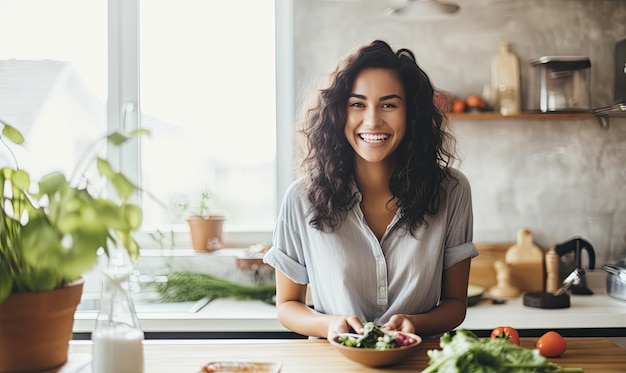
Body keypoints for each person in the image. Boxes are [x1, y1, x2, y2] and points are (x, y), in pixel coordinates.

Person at [263, 40, 478, 340]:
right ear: (339, 112)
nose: (373, 120)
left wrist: (416, 324)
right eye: (358, 104)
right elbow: (287, 305)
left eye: (389, 104)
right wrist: (329, 325)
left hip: (421, 363)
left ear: (411, 113)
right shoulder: (301, 199)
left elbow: (456, 304)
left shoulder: (452, 191)